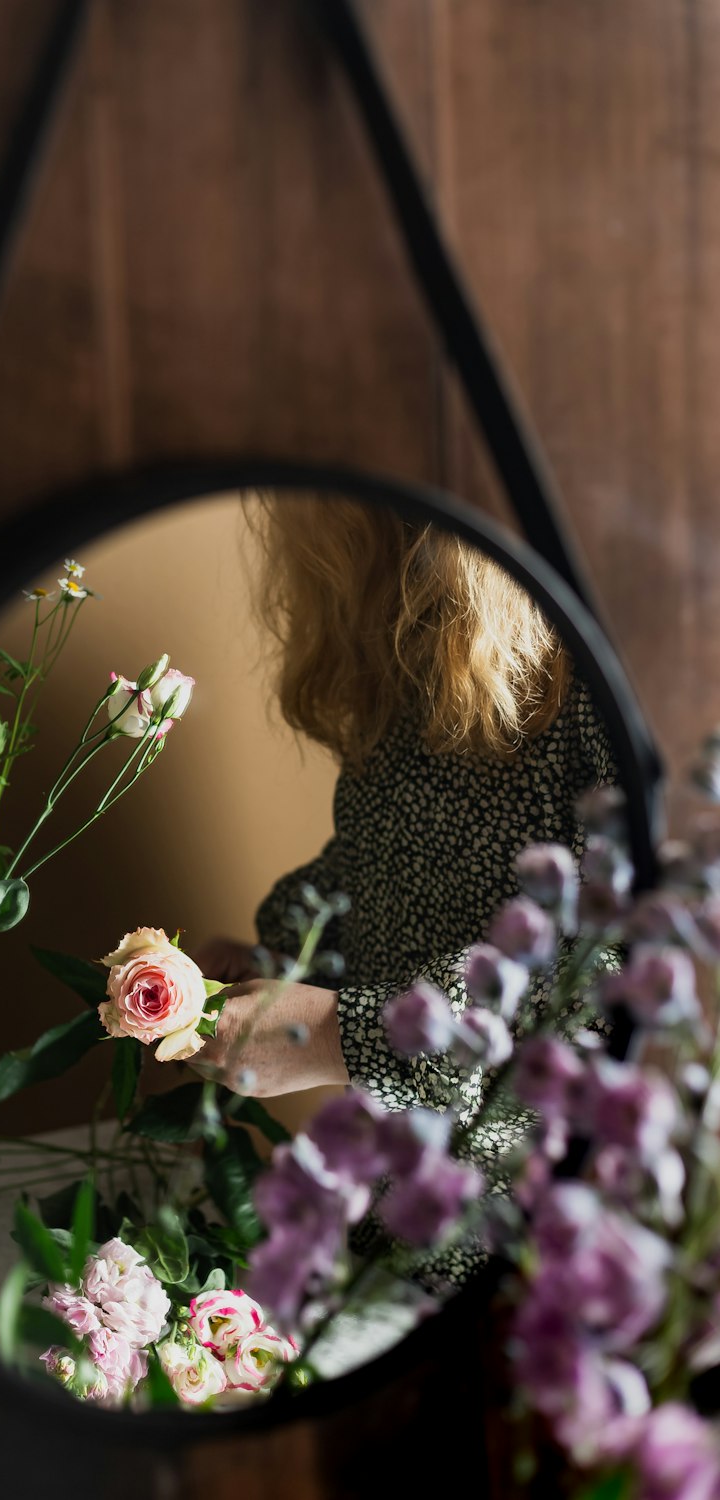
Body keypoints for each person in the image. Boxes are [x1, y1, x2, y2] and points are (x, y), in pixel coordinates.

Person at [189, 494, 617, 1245]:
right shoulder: (410, 647)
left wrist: (337, 1035)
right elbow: (381, 865)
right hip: (399, 1216)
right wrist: (279, 955)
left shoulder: (597, 663)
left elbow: (612, 960)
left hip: (547, 1236)